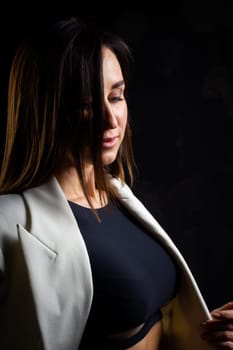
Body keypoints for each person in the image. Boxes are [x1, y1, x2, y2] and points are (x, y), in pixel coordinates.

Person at [0, 16, 232, 350]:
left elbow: (156, 320)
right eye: (86, 104)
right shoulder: (9, 223)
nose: (110, 120)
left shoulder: (119, 195)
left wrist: (209, 334)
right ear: (45, 109)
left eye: (116, 96)